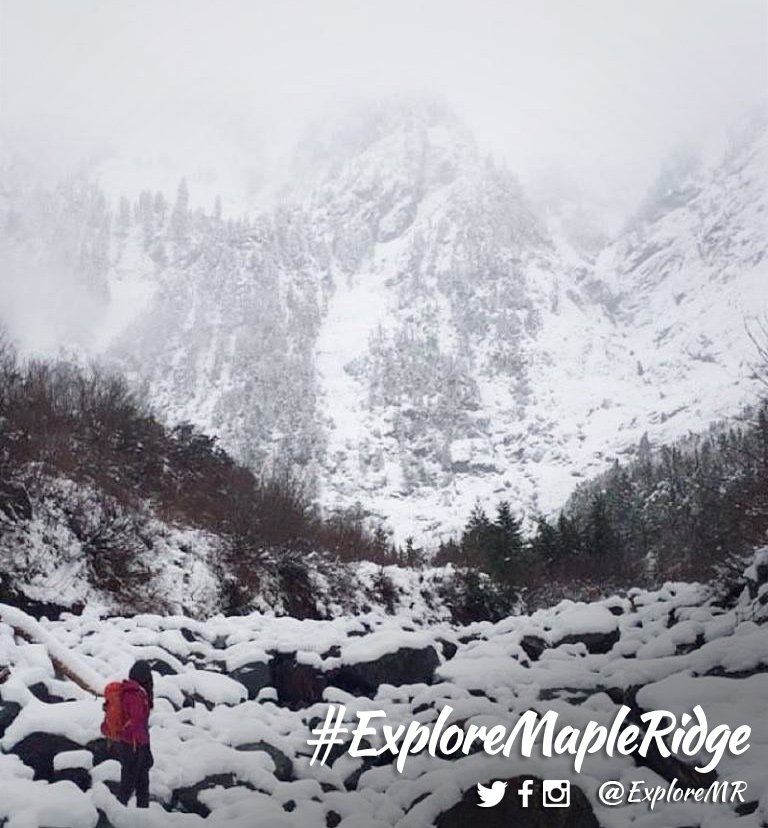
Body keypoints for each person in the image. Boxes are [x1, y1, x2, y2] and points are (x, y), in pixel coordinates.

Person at [117, 660, 154, 808]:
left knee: (140, 782)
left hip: (137, 743)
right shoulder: (134, 693)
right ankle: (115, 816)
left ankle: (142, 814)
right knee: (130, 784)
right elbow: (137, 719)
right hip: (133, 744)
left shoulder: (135, 690)